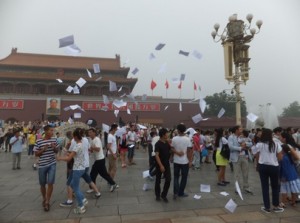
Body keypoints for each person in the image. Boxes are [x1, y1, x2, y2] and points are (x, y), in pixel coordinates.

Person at [252, 128, 284, 213]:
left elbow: (255, 154)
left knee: (265, 187)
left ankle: (267, 207)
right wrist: (275, 160)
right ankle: (276, 206)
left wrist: (258, 163)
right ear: (271, 135)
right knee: (275, 187)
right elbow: (280, 157)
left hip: (263, 166)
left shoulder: (260, 144)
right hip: (274, 167)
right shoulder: (276, 143)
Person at [57, 129, 87, 214]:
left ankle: (81, 206)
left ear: (75, 137)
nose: (72, 138)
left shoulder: (78, 145)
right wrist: (67, 151)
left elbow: (69, 158)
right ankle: (83, 199)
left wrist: (59, 158)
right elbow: (74, 154)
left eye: (73, 136)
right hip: (79, 168)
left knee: (75, 188)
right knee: (70, 184)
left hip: (78, 169)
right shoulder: (80, 144)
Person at [34, 125, 59, 212]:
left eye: (53, 131)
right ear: (46, 131)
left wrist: (54, 147)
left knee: (50, 183)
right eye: (51, 131)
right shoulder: (39, 141)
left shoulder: (54, 140)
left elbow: (57, 151)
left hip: (52, 163)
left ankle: (47, 201)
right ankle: (44, 198)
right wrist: (43, 149)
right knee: (42, 184)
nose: (52, 132)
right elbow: (36, 154)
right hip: (42, 165)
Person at [88, 128, 118, 193]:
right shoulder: (91, 140)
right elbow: (93, 150)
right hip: (97, 160)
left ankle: (113, 184)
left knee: (102, 174)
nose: (89, 134)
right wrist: (90, 150)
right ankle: (93, 187)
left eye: (90, 132)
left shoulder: (97, 139)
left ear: (94, 133)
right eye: (89, 132)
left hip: (100, 160)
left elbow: (98, 149)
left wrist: (91, 148)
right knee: (93, 174)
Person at [228, 126, 252, 194]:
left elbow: (251, 143)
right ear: (236, 130)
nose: (241, 130)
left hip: (244, 156)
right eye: (240, 129)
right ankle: (237, 188)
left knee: (246, 173)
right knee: (236, 174)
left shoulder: (242, 136)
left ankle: (246, 187)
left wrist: (245, 144)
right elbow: (231, 147)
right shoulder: (231, 137)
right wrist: (240, 148)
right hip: (236, 157)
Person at [171, 124, 193, 199]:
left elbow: (172, 149)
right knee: (184, 177)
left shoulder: (174, 138)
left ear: (178, 130)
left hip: (176, 160)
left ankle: (175, 192)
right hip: (185, 161)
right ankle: (181, 192)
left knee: (176, 177)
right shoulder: (188, 139)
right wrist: (190, 161)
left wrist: (176, 153)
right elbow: (189, 151)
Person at [155, 128, 171, 203]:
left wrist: (176, 153)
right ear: (163, 135)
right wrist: (161, 166)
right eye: (166, 133)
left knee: (168, 179)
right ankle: (157, 195)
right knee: (158, 180)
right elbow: (157, 155)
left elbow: (170, 150)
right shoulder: (157, 144)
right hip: (159, 165)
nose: (168, 135)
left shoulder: (167, 143)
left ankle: (164, 195)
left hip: (167, 164)